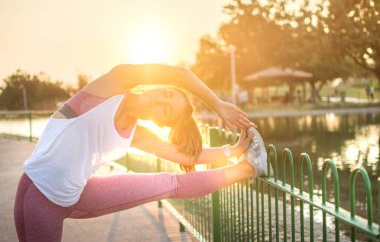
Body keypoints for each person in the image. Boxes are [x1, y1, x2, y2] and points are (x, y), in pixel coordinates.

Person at [14, 64, 271, 242]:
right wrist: (217, 105)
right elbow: (180, 74)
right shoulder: (113, 84)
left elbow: (186, 157)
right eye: (167, 94)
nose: (161, 101)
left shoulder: (136, 133)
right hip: (41, 194)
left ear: (161, 122)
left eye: (167, 110)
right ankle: (247, 165)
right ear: (158, 87)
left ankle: (248, 167)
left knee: (171, 183)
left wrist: (235, 150)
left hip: (72, 192)